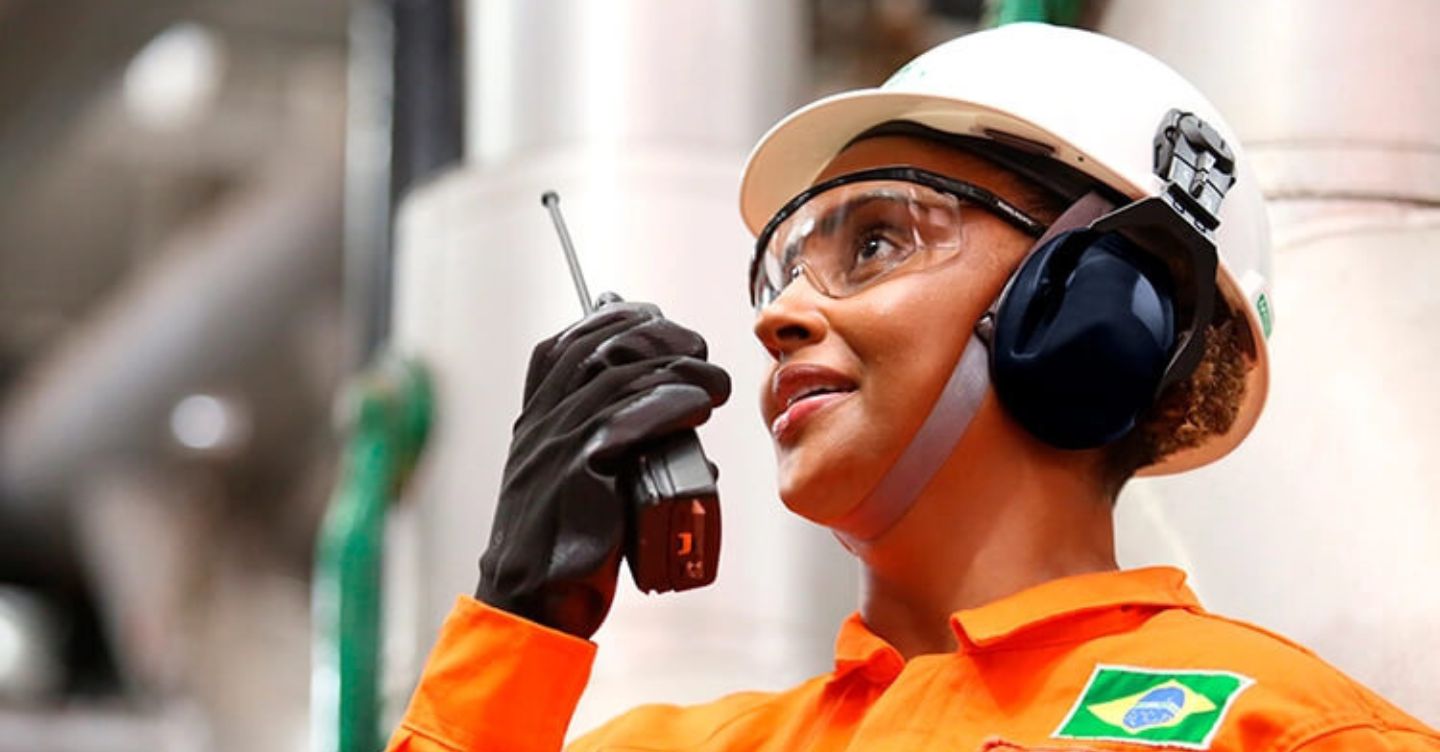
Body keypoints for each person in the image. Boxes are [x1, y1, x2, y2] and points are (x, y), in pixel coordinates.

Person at [384, 23, 1440, 752]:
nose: (777, 315)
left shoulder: (1290, 729)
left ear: (1093, 305)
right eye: (783, 264)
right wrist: (520, 619)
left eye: (878, 240)